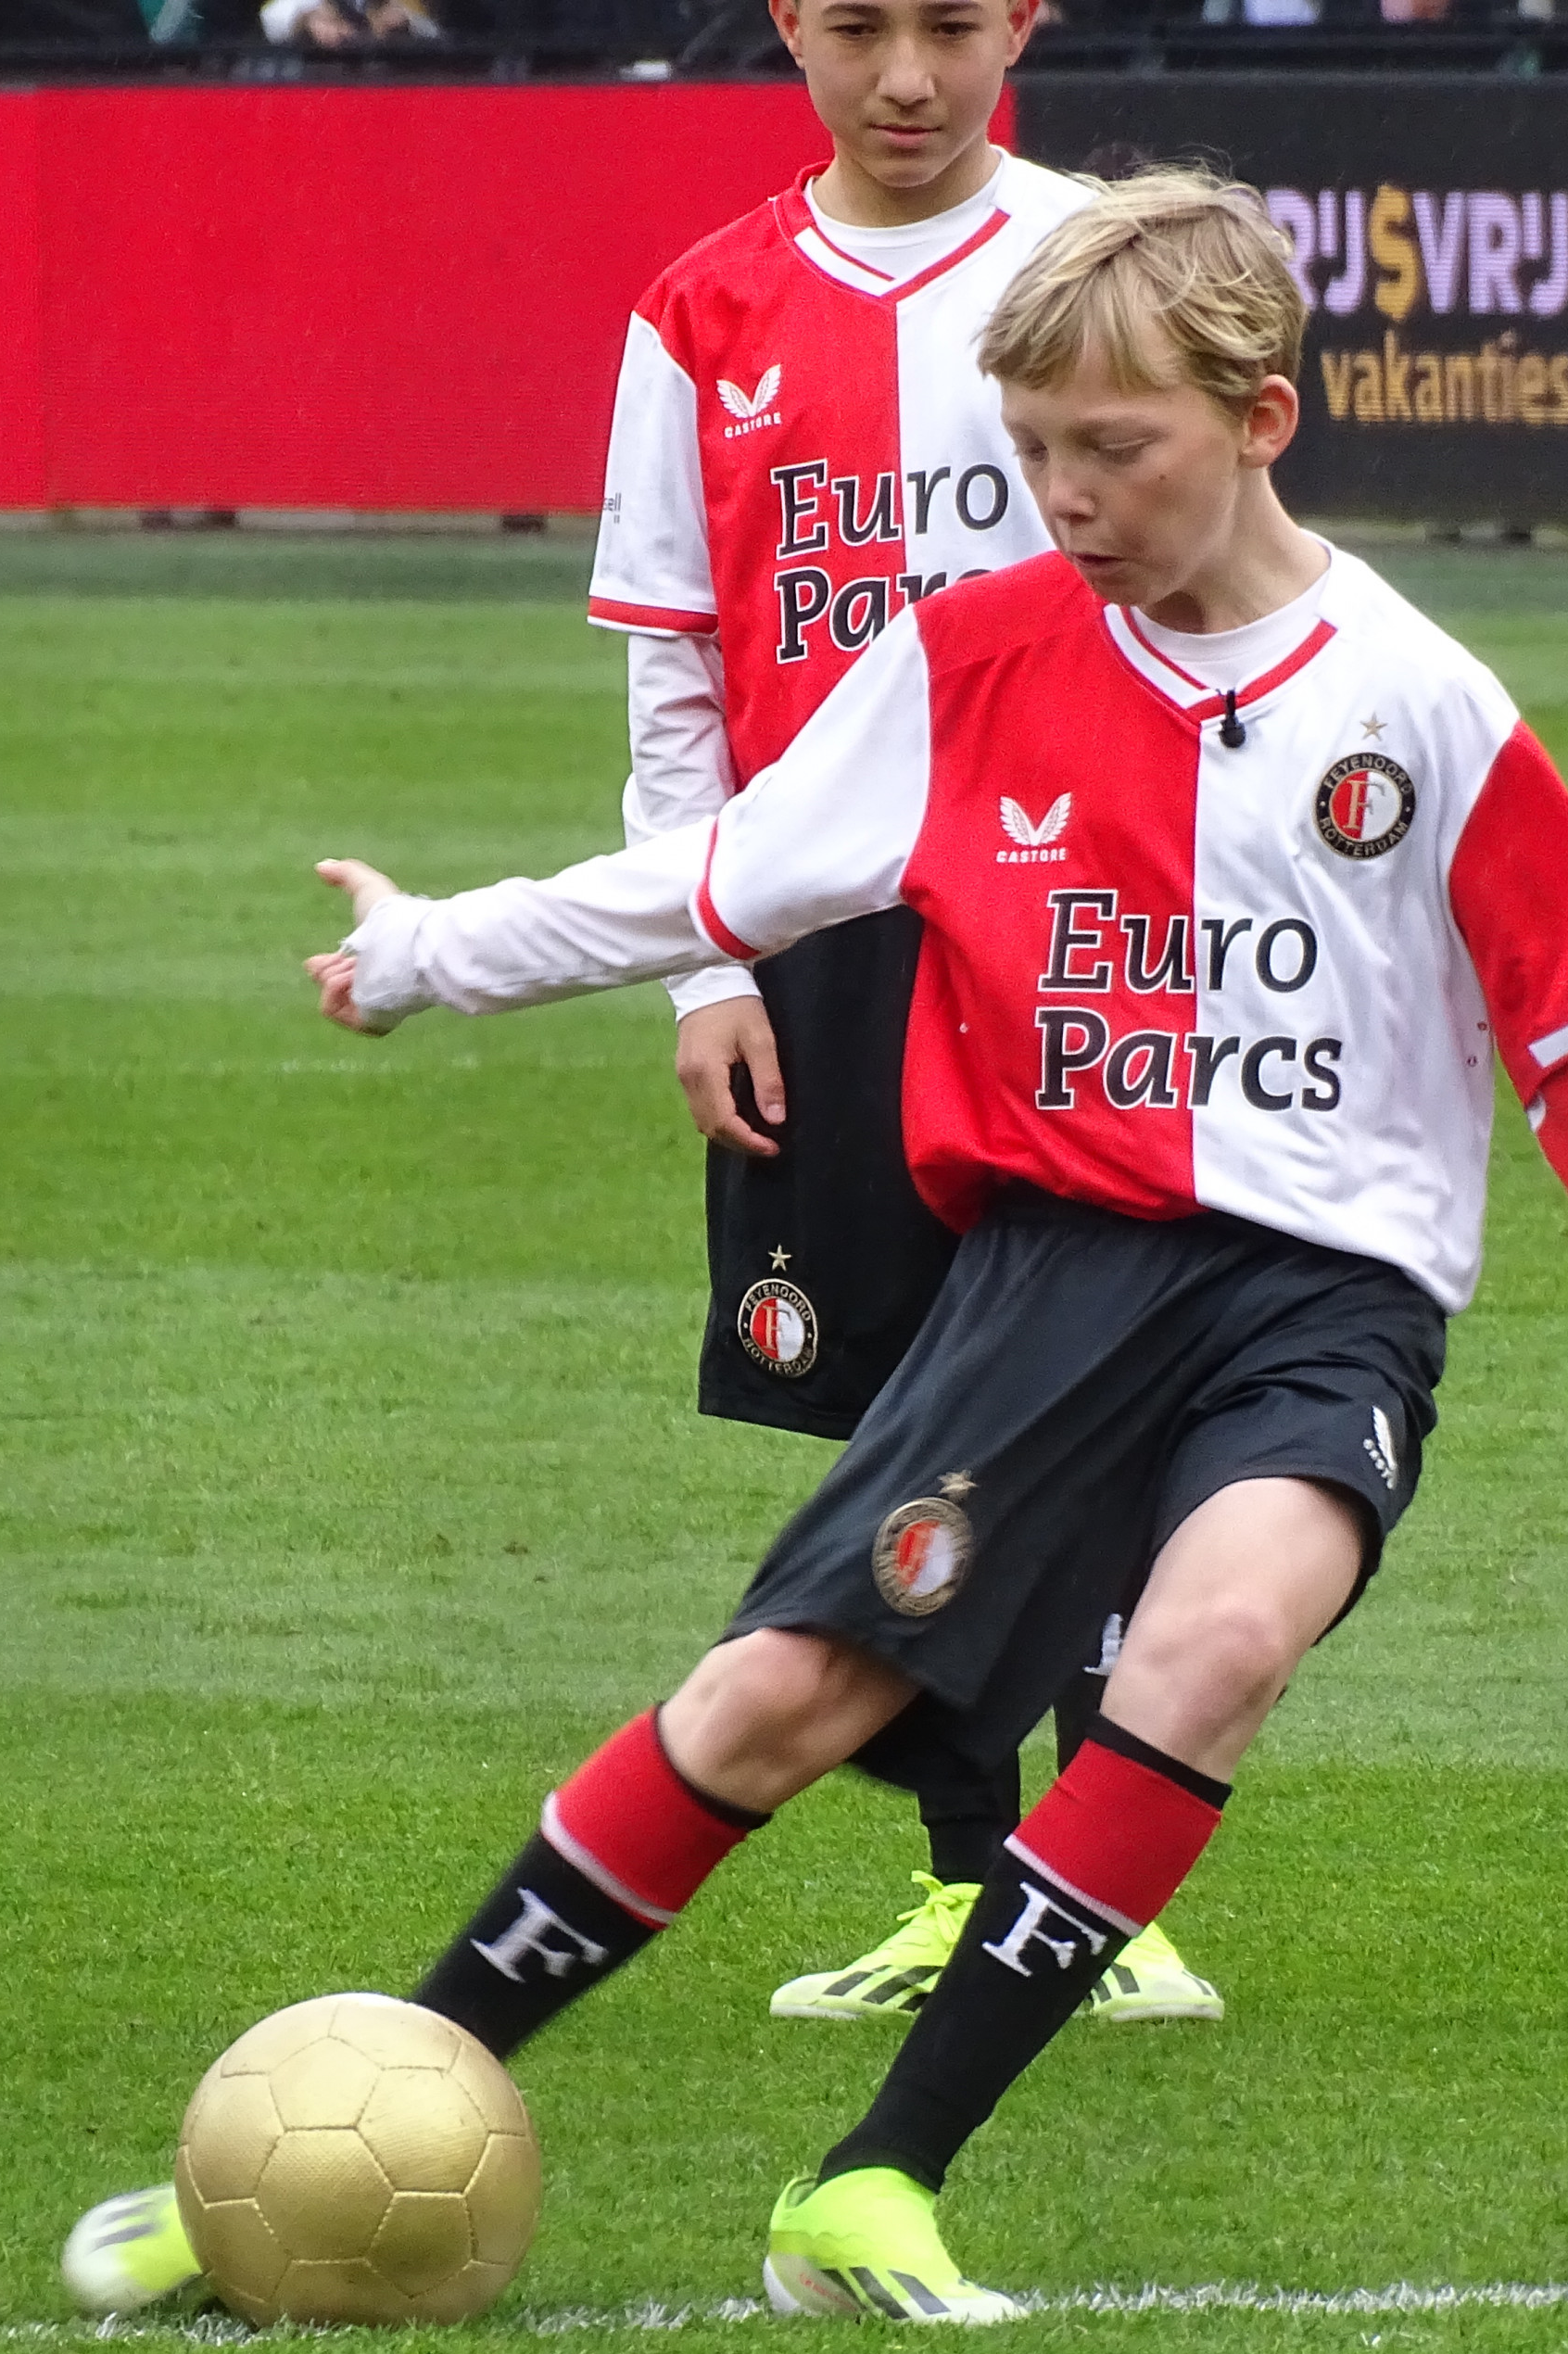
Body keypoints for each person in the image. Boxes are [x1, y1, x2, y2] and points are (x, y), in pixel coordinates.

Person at [245, 171, 1568, 2320]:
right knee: (775, 1701)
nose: (1065, 495)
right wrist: (424, 958)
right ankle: (396, 2083)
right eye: (1032, 450)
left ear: (1261, 415)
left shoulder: (1422, 708)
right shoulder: (964, 664)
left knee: (1215, 1649)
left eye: (1112, 448)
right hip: (1049, 1279)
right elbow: (716, 880)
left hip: (1326, 1310)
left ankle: (875, 2188)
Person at [586, 0, 1220, 2029]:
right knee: (895, 1413)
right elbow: (682, 675)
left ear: (1022, 16)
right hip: (830, 938)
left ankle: (1105, 1889)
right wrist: (706, 967)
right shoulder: (701, 313)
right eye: (859, 27)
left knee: (1111, 1383)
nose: (909, 77)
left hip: (1077, 910)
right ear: (791, 24)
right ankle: (972, 1886)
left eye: (952, 24)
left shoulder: (1092, 275)